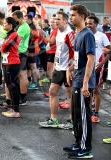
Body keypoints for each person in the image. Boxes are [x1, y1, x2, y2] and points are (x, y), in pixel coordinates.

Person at [64, 5, 95, 159]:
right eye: (70, 15)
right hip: (76, 79)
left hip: (83, 82)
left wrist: (85, 83)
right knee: (76, 115)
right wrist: (69, 69)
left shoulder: (88, 34)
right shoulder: (78, 34)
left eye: (74, 15)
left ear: (82, 16)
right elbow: (78, 58)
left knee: (83, 116)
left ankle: (85, 147)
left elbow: (91, 60)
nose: (71, 18)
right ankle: (78, 142)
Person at [39, 11, 75, 129]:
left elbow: (77, 52)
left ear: (65, 20)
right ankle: (54, 120)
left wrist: (72, 67)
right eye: (54, 20)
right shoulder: (58, 31)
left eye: (58, 19)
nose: (55, 21)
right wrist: (55, 64)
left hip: (68, 69)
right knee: (52, 92)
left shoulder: (70, 33)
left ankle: (72, 120)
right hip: (59, 68)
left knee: (70, 94)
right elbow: (58, 50)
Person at [86, 15, 111, 123]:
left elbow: (109, 52)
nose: (88, 25)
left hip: (97, 67)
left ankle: (96, 113)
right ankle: (89, 111)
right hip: (87, 66)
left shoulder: (102, 36)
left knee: (95, 90)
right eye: (87, 23)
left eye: (90, 23)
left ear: (96, 24)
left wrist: (101, 63)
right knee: (88, 89)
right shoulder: (86, 35)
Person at [0, 17, 21, 118]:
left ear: (11, 25)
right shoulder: (9, 34)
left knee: (13, 87)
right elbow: (3, 47)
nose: (4, 25)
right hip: (8, 62)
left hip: (12, 63)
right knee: (10, 86)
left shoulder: (13, 34)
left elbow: (4, 47)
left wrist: (3, 45)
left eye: (5, 23)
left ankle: (15, 111)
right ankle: (13, 108)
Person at [12, 10, 30, 105]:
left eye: (15, 19)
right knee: (21, 75)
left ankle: (23, 98)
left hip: (21, 53)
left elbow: (17, 41)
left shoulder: (23, 27)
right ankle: (22, 96)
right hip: (22, 52)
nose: (15, 21)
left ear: (19, 17)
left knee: (22, 75)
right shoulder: (23, 26)